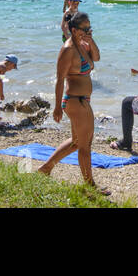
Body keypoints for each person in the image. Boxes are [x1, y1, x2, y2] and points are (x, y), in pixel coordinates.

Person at [37, 11, 105, 193]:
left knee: (76, 142)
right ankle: (90, 187)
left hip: (83, 100)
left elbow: (97, 58)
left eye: (90, 28)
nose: (89, 31)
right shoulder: (68, 49)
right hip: (75, 101)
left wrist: (91, 40)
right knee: (85, 145)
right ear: (74, 30)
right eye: (85, 29)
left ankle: (46, 168)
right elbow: (59, 79)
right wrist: (57, 107)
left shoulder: (84, 44)